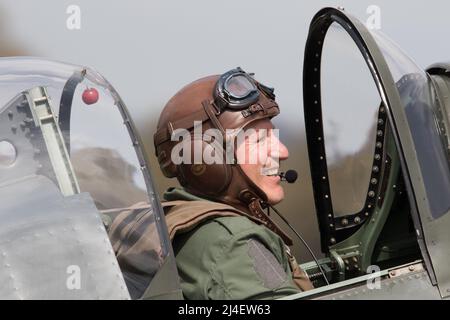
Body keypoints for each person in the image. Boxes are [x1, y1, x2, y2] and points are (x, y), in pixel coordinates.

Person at [151, 67, 314, 299]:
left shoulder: (178, 218)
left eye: (274, 137)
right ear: (207, 160)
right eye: (260, 140)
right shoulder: (232, 242)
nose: (282, 151)